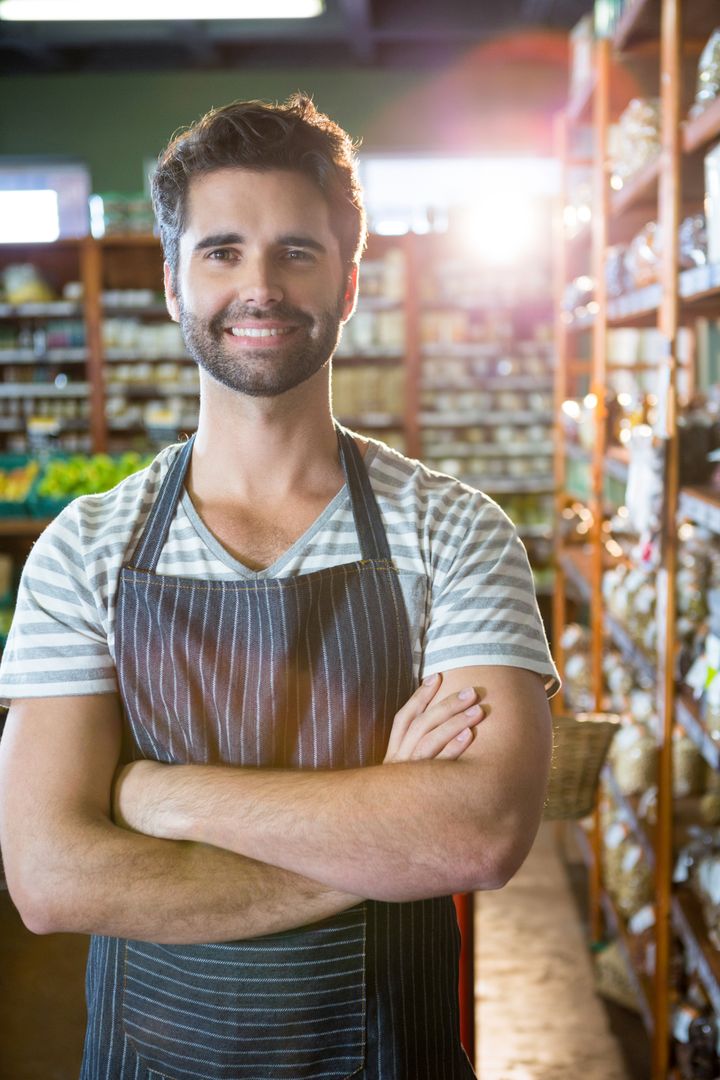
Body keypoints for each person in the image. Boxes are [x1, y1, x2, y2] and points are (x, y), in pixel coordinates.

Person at [0, 94, 558, 1079]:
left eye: (297, 251)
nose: (259, 287)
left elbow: (476, 835)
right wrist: (383, 830)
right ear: (172, 283)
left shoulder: (455, 533)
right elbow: (49, 879)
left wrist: (159, 797)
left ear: (349, 284)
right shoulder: (84, 549)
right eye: (221, 251)